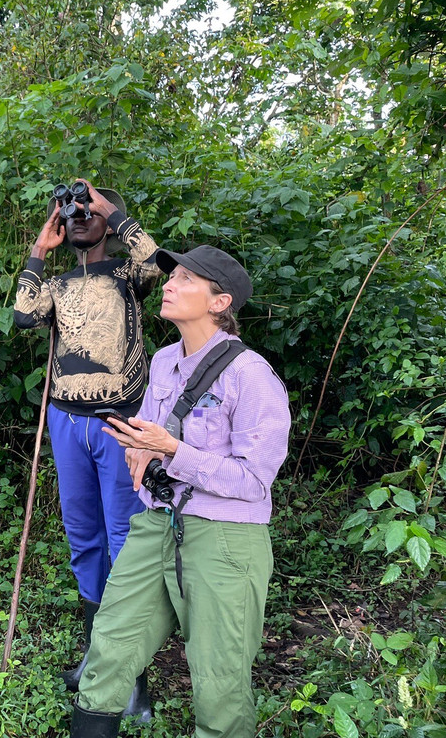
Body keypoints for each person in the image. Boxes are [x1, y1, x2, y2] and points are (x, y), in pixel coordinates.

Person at [70, 245, 291, 738]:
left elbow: (255, 480)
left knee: (220, 679)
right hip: (157, 523)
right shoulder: (167, 359)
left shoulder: (250, 375)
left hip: (226, 538)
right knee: (109, 648)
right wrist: (139, 449)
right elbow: (151, 428)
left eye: (187, 279)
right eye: (172, 277)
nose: (169, 284)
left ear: (220, 302)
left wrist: (171, 449)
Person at [13, 180, 162, 706]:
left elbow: (157, 263)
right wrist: (39, 247)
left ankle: (131, 673)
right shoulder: (55, 285)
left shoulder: (127, 275)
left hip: (119, 421)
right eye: (69, 211)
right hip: (66, 421)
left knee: (124, 539)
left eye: (87, 211)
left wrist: (112, 211)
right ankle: (98, 653)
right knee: (85, 538)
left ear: (105, 219)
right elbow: (22, 314)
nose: (78, 216)